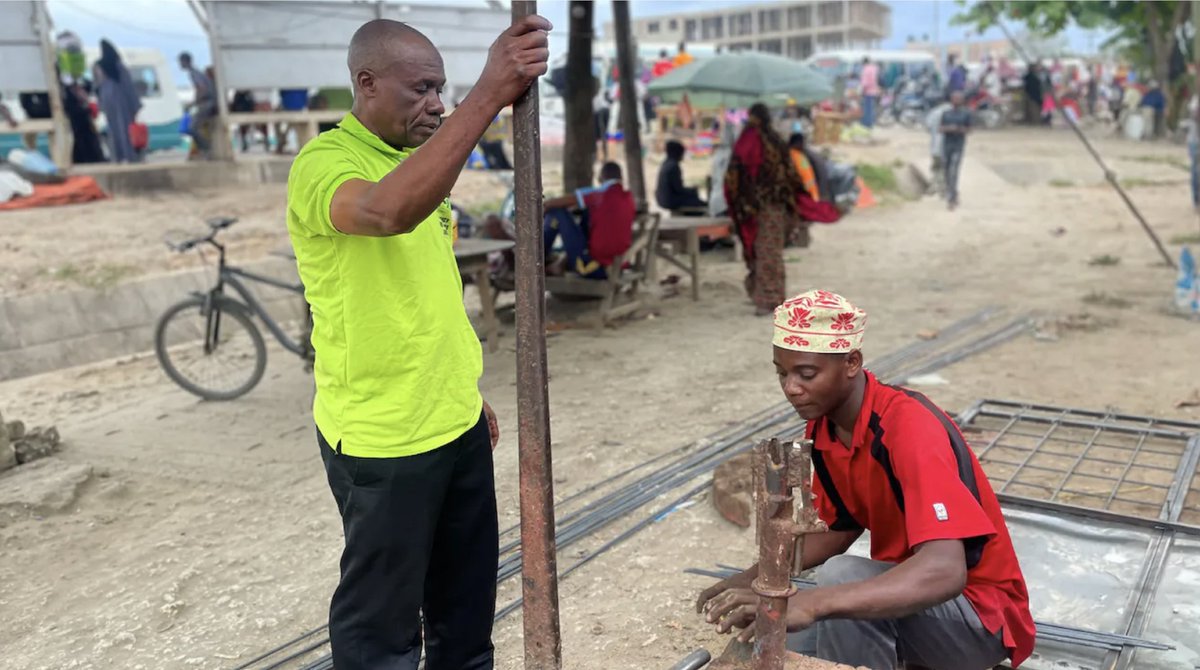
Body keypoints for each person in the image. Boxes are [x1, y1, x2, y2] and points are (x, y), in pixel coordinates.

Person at [285, 16, 549, 670]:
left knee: (465, 613)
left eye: (442, 89)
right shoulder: (326, 164)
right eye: (421, 89)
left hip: (453, 422)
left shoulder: (416, 161)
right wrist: (488, 94)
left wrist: (463, 392)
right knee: (383, 631)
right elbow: (384, 213)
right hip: (384, 438)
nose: (436, 103)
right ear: (367, 83)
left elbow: (423, 295)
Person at [696, 289, 1036, 670]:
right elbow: (839, 529)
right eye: (782, 373)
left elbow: (945, 571)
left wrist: (816, 603)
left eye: (806, 374)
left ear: (852, 362)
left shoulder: (908, 428)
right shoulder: (824, 428)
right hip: (915, 599)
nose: (791, 387)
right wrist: (755, 578)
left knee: (838, 582)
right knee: (778, 634)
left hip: (981, 617)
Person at [726, 104, 837, 316]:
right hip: (777, 207)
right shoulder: (776, 142)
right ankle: (772, 296)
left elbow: (735, 174)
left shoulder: (747, 140)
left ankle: (766, 298)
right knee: (771, 252)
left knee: (759, 250)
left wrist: (739, 202)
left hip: (753, 208)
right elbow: (790, 176)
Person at [542, 161, 635, 278]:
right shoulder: (628, 198)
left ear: (600, 177)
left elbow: (551, 203)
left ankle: (539, 257)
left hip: (594, 267)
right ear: (621, 177)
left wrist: (544, 208)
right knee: (587, 214)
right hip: (617, 266)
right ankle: (558, 263)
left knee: (557, 212)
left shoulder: (600, 193)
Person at [94, 39, 142, 162]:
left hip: (107, 98)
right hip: (121, 97)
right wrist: (135, 104)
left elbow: (97, 86)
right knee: (126, 128)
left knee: (113, 128)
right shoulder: (119, 65)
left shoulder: (98, 66)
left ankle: (117, 155)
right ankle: (129, 154)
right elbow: (128, 85)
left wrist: (100, 104)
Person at [179, 52, 215, 158]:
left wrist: (194, 102)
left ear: (185, 62)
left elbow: (202, 88)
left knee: (192, 128)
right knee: (194, 128)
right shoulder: (196, 72)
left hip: (207, 103)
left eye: (181, 62)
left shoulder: (194, 73)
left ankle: (206, 149)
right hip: (207, 102)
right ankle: (204, 149)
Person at [940, 91, 971, 210]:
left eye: (959, 99)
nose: (956, 100)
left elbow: (969, 129)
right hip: (947, 144)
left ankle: (951, 198)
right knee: (947, 169)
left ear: (962, 100)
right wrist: (949, 128)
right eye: (954, 98)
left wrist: (959, 129)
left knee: (954, 170)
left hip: (959, 145)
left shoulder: (966, 114)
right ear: (951, 100)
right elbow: (940, 128)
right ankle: (952, 191)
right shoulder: (946, 113)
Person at [656, 140, 706, 211]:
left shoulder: (666, 163)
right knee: (700, 202)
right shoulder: (673, 166)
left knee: (693, 195)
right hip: (669, 201)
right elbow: (678, 189)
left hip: (662, 199)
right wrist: (692, 190)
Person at [858, 57, 880, 128]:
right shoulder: (874, 69)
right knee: (870, 108)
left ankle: (866, 123)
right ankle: (870, 123)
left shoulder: (866, 69)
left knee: (867, 108)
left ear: (864, 63)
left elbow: (865, 82)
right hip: (873, 91)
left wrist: (861, 89)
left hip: (867, 91)